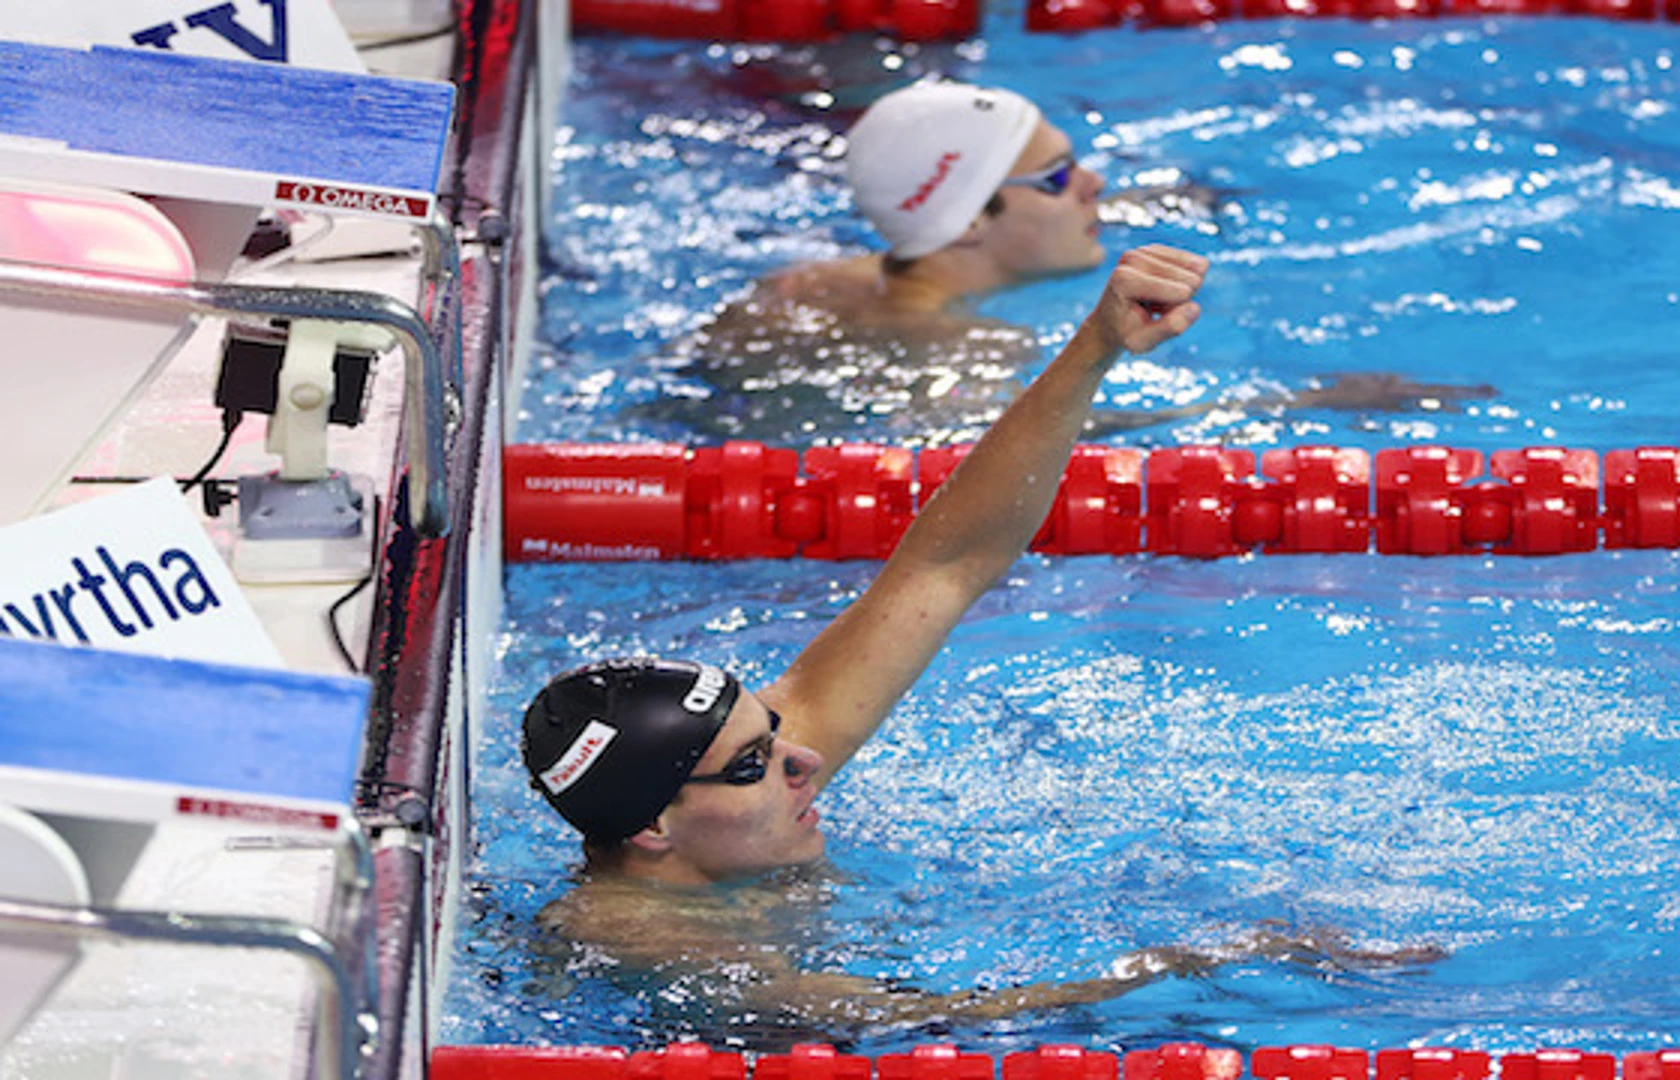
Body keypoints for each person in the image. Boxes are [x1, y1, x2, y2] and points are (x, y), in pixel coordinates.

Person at [525, 246, 1439, 1036]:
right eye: (755, 764)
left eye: (772, 730)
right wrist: (1202, 961)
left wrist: (1097, 347)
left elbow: (946, 563)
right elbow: (941, 1018)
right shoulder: (642, 941)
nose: (806, 757)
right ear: (651, 830)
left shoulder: (712, 803)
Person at [650, 79, 1491, 444]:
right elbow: (1035, 455)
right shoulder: (957, 353)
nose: (1094, 184)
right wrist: (1304, 402)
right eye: (1060, 178)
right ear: (971, 220)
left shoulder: (811, 280)